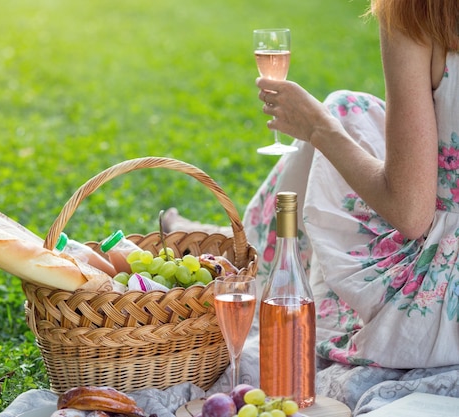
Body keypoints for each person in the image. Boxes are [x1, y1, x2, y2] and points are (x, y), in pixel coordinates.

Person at [163, 0, 459, 369]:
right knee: (352, 109)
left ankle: (247, 257)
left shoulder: (418, 9)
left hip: (441, 292)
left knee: (335, 116)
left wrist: (318, 127)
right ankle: (244, 244)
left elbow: (411, 213)